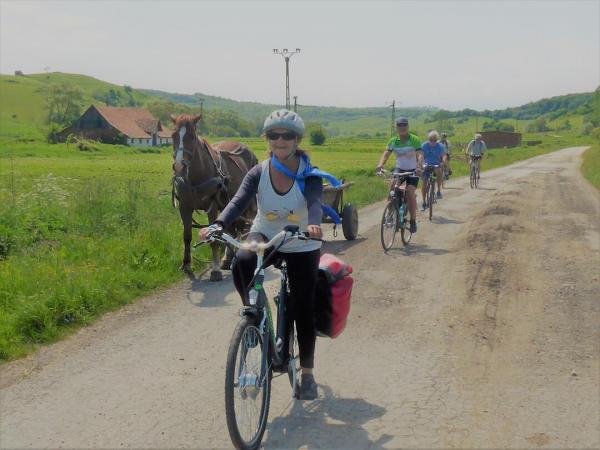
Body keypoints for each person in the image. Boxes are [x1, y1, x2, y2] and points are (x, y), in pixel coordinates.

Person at [199, 109, 322, 400]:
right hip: (266, 235)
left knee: (303, 308)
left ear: (297, 140)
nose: (280, 140)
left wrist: (314, 223)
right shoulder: (259, 171)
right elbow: (240, 199)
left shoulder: (309, 175)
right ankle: (256, 314)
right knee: (242, 261)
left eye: (287, 135)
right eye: (274, 135)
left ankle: (307, 373)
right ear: (267, 139)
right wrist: (219, 223)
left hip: (302, 242)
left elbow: (315, 201)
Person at [376, 117, 422, 233]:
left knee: (410, 192)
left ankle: (412, 221)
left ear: (408, 127)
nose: (402, 128)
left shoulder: (414, 139)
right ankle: (391, 210)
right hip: (400, 169)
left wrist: (419, 167)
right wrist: (380, 165)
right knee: (392, 187)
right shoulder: (393, 141)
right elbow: (386, 154)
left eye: (404, 125)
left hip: (413, 170)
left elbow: (420, 155)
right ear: (396, 127)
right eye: (399, 126)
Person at [420, 130, 445, 209]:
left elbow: (443, 155)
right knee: (424, 184)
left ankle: (438, 191)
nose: (432, 141)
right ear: (428, 139)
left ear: (437, 139)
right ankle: (424, 202)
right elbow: (421, 156)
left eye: (434, 140)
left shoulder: (440, 146)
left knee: (439, 171)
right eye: (431, 140)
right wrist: (421, 163)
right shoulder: (424, 145)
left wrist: (443, 161)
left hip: (436, 164)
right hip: (426, 165)